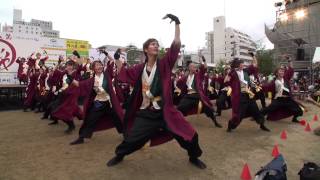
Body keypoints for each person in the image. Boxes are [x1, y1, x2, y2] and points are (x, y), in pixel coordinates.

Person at [106, 14, 206, 169]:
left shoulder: (164, 64)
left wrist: (177, 24)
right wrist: (117, 57)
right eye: (153, 44)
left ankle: (193, 157)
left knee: (189, 135)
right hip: (147, 112)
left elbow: (176, 46)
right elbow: (123, 73)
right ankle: (120, 155)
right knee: (132, 139)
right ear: (146, 49)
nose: (156, 46)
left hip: (166, 111)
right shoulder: (139, 69)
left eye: (157, 44)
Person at [69, 59, 124, 145]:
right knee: (90, 119)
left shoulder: (107, 74)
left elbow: (114, 63)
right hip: (99, 103)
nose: (100, 66)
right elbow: (79, 84)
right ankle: (81, 137)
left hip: (110, 103)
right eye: (97, 65)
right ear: (93, 68)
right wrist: (70, 79)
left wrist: (112, 56)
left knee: (118, 118)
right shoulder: (91, 80)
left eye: (100, 65)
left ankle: (126, 134)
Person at [225, 58, 270, 132]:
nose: (243, 64)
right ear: (237, 65)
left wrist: (253, 56)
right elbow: (226, 81)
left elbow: (254, 64)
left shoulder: (246, 71)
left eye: (242, 63)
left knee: (256, 111)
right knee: (239, 115)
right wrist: (229, 73)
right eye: (241, 63)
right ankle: (231, 125)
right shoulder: (233, 73)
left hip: (249, 95)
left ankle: (262, 125)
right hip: (241, 97)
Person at [176, 55, 222, 128]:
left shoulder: (198, 75)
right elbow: (178, 83)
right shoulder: (185, 77)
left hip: (197, 96)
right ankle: (178, 122)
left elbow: (204, 68)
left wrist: (203, 60)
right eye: (193, 67)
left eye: (195, 67)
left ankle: (215, 122)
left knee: (208, 109)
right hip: (188, 96)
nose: (195, 68)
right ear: (189, 68)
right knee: (180, 108)